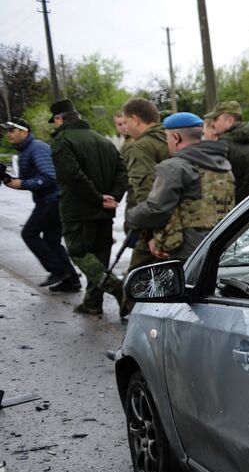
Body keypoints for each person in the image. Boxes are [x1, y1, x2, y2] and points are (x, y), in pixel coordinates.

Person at [48, 99, 128, 315]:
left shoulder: (62, 142)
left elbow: (73, 176)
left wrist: (97, 198)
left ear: (59, 119)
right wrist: (113, 197)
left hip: (78, 211)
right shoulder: (102, 140)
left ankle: (118, 288)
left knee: (80, 253)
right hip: (104, 211)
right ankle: (92, 303)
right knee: (99, 256)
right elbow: (122, 171)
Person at [125, 111, 235, 263]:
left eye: (167, 137)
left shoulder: (174, 167)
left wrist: (131, 217)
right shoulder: (224, 166)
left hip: (186, 251)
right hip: (222, 246)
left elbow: (155, 210)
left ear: (176, 138)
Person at [2, 117, 79, 290]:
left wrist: (21, 183)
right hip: (53, 200)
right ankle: (72, 281)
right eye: (7, 131)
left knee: (29, 234)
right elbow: (31, 178)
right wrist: (8, 179)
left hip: (52, 200)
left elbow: (49, 177)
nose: (9, 134)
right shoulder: (27, 149)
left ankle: (58, 270)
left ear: (24, 132)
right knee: (52, 240)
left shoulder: (36, 148)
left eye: (12, 130)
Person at [119, 99, 171, 279]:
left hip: (155, 227)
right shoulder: (169, 138)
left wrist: (149, 235)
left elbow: (146, 192)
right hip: (178, 222)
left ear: (135, 119)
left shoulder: (142, 145)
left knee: (136, 284)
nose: (125, 128)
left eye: (125, 122)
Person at [207, 100, 249, 202]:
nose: (212, 123)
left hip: (239, 213)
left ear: (229, 120)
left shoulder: (222, 147)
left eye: (216, 119)